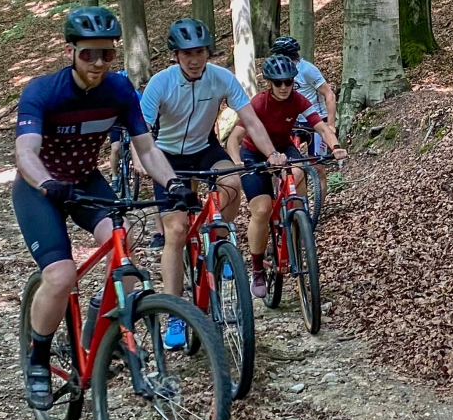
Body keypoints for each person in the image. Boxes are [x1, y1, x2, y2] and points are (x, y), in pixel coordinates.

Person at [13, 7, 195, 411]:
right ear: (70, 52)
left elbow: (145, 148)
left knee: (124, 247)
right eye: (88, 54)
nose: (97, 63)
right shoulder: (43, 91)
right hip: (40, 189)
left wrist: (174, 183)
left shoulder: (119, 90)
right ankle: (38, 360)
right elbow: (25, 151)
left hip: (86, 182)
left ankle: (101, 331)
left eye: (106, 54)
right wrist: (45, 183)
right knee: (60, 276)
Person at [141, 18, 290, 345]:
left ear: (209, 52)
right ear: (176, 55)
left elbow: (250, 119)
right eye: (187, 53)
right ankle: (175, 315)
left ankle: (219, 239)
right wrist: (142, 162)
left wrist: (272, 153)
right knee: (177, 231)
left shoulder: (221, 78)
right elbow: (142, 134)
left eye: (201, 52)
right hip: (167, 157)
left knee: (233, 181)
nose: (195, 59)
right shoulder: (159, 84)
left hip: (205, 149)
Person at [225, 55, 346, 297]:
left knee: (298, 177)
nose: (283, 87)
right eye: (278, 83)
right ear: (269, 83)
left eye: (288, 82)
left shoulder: (298, 99)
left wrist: (335, 146)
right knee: (261, 209)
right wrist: (237, 161)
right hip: (253, 153)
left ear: (293, 82)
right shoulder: (259, 103)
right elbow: (234, 138)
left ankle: (293, 226)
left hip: (282, 148)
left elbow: (320, 126)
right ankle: (258, 268)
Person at [272, 36, 338, 193]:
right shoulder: (280, 74)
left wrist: (331, 125)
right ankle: (282, 203)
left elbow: (329, 94)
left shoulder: (307, 70)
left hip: (315, 121)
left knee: (318, 168)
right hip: (292, 122)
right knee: (282, 165)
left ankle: (317, 213)